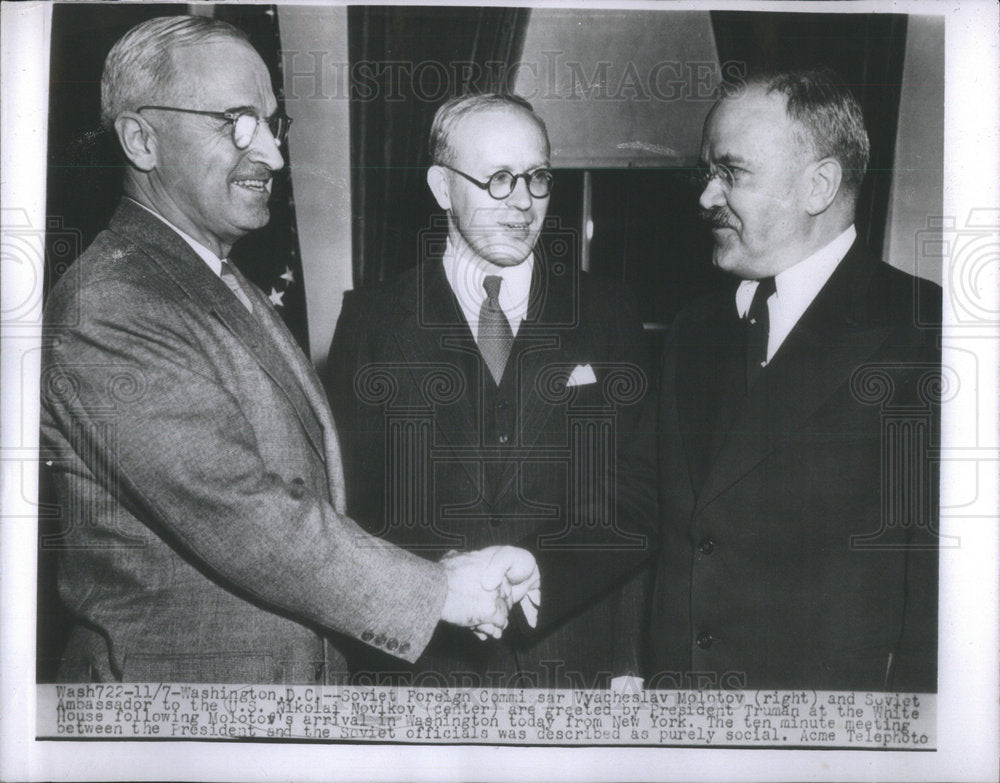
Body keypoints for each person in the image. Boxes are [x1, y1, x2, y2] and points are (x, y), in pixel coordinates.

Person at [40, 15, 539, 684]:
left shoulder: (211, 275)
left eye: (274, 125)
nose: (273, 156)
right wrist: (438, 588)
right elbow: (242, 513)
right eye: (237, 123)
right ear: (140, 138)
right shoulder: (110, 305)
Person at [325, 93, 658, 688]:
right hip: (423, 673)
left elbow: (636, 494)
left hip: (572, 666)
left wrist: (545, 570)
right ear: (440, 187)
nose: (523, 203)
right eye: (498, 179)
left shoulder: (610, 312)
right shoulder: (372, 321)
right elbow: (353, 511)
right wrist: (438, 582)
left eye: (537, 178)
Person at [650, 67, 940, 691]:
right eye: (707, 172)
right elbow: (658, 524)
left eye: (732, 172)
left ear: (820, 185)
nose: (705, 197)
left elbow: (946, 597)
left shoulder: (931, 332)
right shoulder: (693, 328)